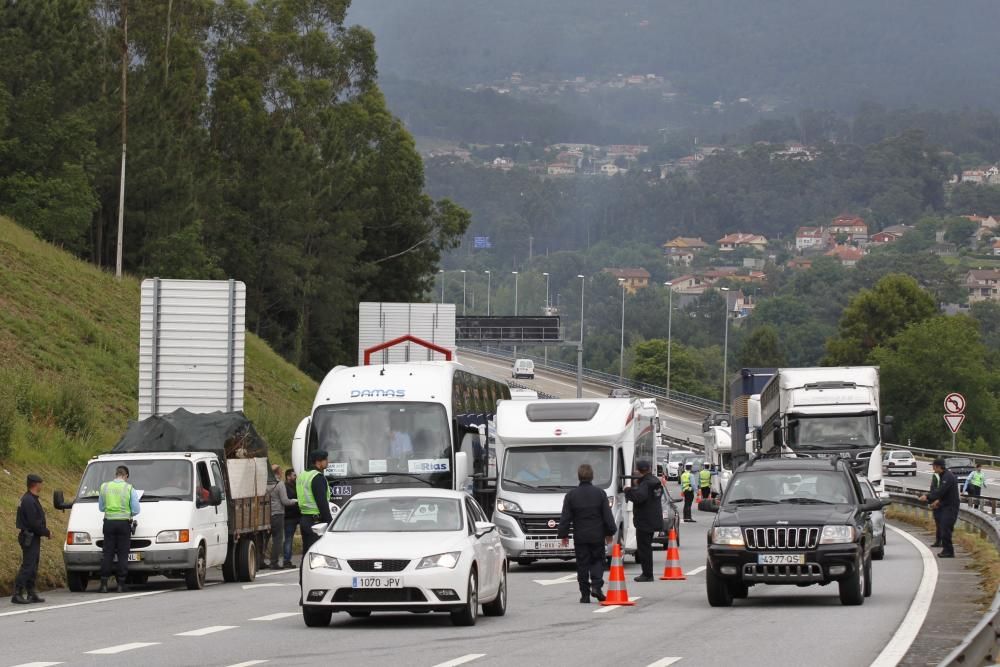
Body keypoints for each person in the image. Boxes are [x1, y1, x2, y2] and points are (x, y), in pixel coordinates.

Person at [558, 464, 617, 604]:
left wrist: (563, 534)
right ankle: (596, 586)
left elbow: (565, 517)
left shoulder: (571, 495)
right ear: (592, 476)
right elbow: (607, 516)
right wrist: (610, 532)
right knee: (598, 561)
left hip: (580, 536)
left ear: (578, 476)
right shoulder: (600, 493)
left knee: (582, 564)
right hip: (597, 535)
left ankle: (584, 594)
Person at [98, 465, 141, 593]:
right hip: (123, 524)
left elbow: (101, 508)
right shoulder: (129, 488)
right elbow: (136, 510)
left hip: (109, 523)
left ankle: (104, 584)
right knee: (123, 554)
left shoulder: (104, 487)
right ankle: (121, 584)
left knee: (108, 553)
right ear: (126, 476)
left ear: (116, 474)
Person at [13, 474, 51, 604]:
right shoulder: (29, 500)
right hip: (29, 536)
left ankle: (31, 592)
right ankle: (17, 592)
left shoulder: (30, 498)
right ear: (36, 484)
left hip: (32, 536)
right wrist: (46, 532)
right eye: (40, 483)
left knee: (33, 565)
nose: (42, 485)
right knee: (28, 565)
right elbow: (33, 523)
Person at [624, 459, 663, 582]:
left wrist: (628, 490)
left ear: (639, 470)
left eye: (636, 469)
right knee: (646, 547)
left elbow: (639, 497)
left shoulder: (646, 484)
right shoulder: (655, 482)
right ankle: (647, 573)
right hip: (653, 519)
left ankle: (647, 574)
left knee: (644, 548)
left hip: (644, 521)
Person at [920, 458, 959, 558]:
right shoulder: (943, 475)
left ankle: (949, 551)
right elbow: (945, 494)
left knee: (946, 528)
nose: (933, 468)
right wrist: (938, 501)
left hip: (951, 507)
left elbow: (941, 491)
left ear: (938, 466)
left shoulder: (948, 477)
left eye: (934, 466)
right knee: (943, 527)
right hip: (945, 505)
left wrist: (928, 497)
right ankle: (947, 550)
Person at [298, 450, 333, 554]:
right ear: (318, 461)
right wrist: (330, 522)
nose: (328, 462)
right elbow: (322, 502)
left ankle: (303, 571)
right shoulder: (317, 477)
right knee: (317, 554)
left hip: (304, 518)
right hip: (316, 522)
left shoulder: (302, 475)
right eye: (325, 459)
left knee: (307, 554)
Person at [264, 464, 297, 569]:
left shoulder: (265, 484)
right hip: (277, 513)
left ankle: (260, 560)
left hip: (265, 514)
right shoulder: (280, 484)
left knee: (264, 539)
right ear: (278, 473)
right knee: (277, 539)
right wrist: (295, 501)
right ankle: (274, 562)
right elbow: (285, 501)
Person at [282, 468, 300, 568]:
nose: (295, 477)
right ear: (288, 476)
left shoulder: (296, 485)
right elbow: (287, 499)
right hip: (289, 516)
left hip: (298, 514)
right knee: (288, 539)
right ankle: (286, 560)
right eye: (294, 475)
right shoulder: (284, 487)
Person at [929, 470, 942, 547]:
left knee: (939, 523)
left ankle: (939, 541)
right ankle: (941, 541)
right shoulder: (947, 476)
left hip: (937, 502)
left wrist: (932, 501)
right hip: (943, 502)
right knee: (942, 524)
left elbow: (933, 490)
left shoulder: (936, 476)